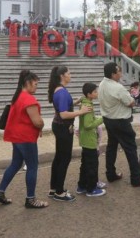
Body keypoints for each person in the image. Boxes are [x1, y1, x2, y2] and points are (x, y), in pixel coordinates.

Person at [0, 70, 48, 209]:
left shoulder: (18, 96)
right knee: (32, 166)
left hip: (17, 137)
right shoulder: (28, 99)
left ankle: (0, 192)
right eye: (35, 84)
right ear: (28, 83)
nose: (36, 86)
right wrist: (42, 125)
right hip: (26, 138)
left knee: (16, 164)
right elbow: (37, 122)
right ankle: (30, 199)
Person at [98, 62, 140, 187]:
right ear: (113, 74)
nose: (120, 74)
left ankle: (110, 174)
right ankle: (136, 178)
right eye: (119, 72)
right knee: (130, 149)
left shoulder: (102, 84)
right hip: (120, 121)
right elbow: (131, 103)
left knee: (111, 147)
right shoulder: (118, 87)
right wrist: (131, 96)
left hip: (108, 119)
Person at [48, 66, 89, 202]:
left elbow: (63, 107)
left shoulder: (59, 90)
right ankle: (59, 192)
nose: (70, 75)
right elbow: (64, 114)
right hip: (63, 127)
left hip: (59, 126)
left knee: (59, 157)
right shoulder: (62, 92)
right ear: (62, 76)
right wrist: (81, 111)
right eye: (69, 73)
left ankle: (54, 188)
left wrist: (75, 102)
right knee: (64, 158)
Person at [76, 83, 106, 197]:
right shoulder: (88, 106)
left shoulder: (85, 102)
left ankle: (82, 186)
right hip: (89, 140)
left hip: (85, 139)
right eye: (95, 92)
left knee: (85, 165)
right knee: (92, 165)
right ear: (89, 94)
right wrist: (101, 120)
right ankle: (91, 189)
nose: (96, 93)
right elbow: (88, 125)